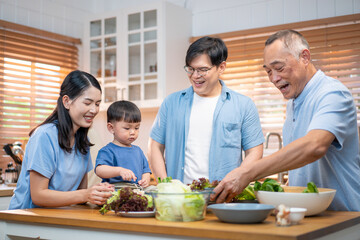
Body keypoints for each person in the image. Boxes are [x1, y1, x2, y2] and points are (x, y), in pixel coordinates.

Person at [212, 30, 360, 211]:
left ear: (304, 57)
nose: (274, 79)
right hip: (311, 216)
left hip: (343, 219)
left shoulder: (333, 93)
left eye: (279, 68)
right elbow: (303, 164)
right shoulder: (293, 102)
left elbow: (314, 146)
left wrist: (247, 173)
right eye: (268, 71)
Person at [148, 36, 264, 184]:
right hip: (179, 198)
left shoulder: (243, 105)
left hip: (224, 199)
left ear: (221, 67)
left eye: (202, 70)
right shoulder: (171, 103)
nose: (195, 76)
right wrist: (166, 186)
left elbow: (255, 151)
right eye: (191, 69)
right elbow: (154, 146)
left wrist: (236, 181)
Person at [9, 70, 114, 210]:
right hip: (27, 220)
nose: (94, 110)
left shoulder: (83, 140)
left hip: (59, 218)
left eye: (97, 104)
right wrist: (85, 195)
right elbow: (38, 195)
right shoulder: (45, 135)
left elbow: (80, 194)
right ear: (66, 101)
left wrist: (98, 193)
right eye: (88, 103)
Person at [95, 100, 151, 188]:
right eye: (127, 128)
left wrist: (145, 180)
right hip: (114, 192)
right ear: (111, 128)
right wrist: (119, 171)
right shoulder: (107, 151)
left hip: (136, 191)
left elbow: (146, 171)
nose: (133, 132)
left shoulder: (138, 151)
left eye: (136, 128)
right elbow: (99, 170)